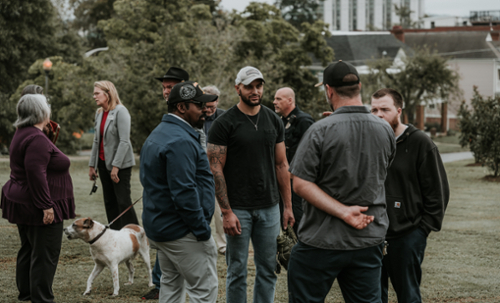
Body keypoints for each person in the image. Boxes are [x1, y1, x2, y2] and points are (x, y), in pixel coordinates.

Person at [287, 60, 396, 303]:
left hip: (322, 241)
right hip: (368, 239)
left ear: (329, 90)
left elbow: (301, 184)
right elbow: (379, 172)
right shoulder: (385, 130)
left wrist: (344, 211)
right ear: (360, 87)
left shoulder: (319, 130)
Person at [207, 66, 294, 303]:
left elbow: (281, 165)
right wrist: (226, 212)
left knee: (268, 269)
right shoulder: (224, 123)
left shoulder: (273, 120)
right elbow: (216, 170)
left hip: (269, 208)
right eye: (249, 86)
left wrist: (287, 206)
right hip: (238, 210)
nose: (255, 91)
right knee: (237, 270)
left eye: (259, 86)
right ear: (238, 89)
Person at [140, 81, 219, 303]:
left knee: (171, 287)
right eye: (198, 105)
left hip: (163, 227)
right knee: (204, 290)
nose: (204, 110)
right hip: (182, 231)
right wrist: (202, 230)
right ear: (181, 108)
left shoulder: (162, 131)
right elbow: (184, 193)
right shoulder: (179, 140)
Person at [370, 88, 450, 303]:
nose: (378, 114)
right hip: (372, 237)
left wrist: (420, 232)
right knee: (373, 297)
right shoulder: (370, 143)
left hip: (407, 237)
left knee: (408, 297)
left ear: (398, 111)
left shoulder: (420, 143)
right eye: (374, 109)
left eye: (384, 109)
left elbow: (438, 192)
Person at [1, 94, 76, 303]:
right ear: (40, 112)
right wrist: (46, 206)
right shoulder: (35, 138)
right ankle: (41, 299)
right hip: (37, 204)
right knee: (44, 254)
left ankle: (26, 294)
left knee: (29, 248)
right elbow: (36, 172)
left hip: (23, 200)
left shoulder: (23, 132)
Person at [140, 67, 191, 300]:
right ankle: (160, 282)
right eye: (164, 88)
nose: (166, 92)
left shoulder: (194, 113)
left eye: (170, 87)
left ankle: (164, 283)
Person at [88, 80, 139, 230]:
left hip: (120, 165)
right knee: (109, 201)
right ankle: (116, 235)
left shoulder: (121, 111)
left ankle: (135, 234)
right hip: (103, 164)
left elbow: (124, 142)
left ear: (108, 94)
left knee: (123, 201)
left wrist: (115, 167)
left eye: (97, 93)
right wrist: (93, 165)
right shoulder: (99, 113)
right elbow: (96, 141)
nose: (94, 97)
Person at [272, 87, 314, 234]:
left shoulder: (304, 121)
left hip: (297, 182)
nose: (274, 102)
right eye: (275, 99)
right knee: (285, 223)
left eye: (278, 99)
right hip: (282, 181)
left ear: (290, 100)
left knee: (298, 221)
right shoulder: (280, 122)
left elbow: (310, 153)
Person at [200, 85, 227, 255]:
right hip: (200, 168)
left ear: (217, 101)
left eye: (212, 107)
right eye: (206, 106)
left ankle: (223, 244)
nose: (208, 110)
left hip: (219, 169)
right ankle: (202, 241)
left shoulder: (224, 117)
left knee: (220, 208)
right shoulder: (196, 116)